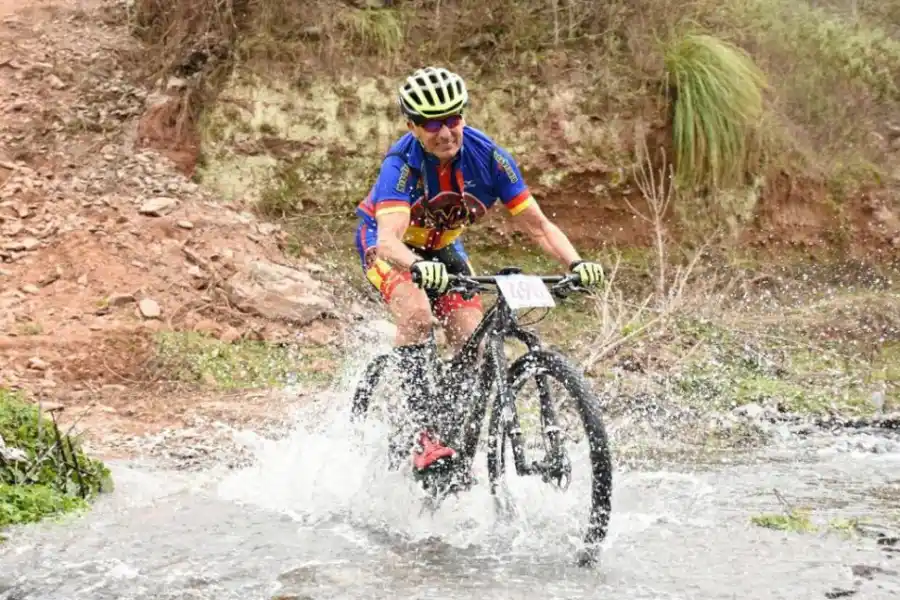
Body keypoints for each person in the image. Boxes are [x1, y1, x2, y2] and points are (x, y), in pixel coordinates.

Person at [354, 66, 605, 477]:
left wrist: (576, 263)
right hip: (387, 245)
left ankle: (452, 427)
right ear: (412, 126)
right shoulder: (401, 164)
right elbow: (388, 241)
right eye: (432, 123)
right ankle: (423, 435)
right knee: (417, 315)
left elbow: (539, 226)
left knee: (471, 335)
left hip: (443, 247)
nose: (445, 132)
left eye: (453, 119)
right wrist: (418, 267)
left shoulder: (490, 158)